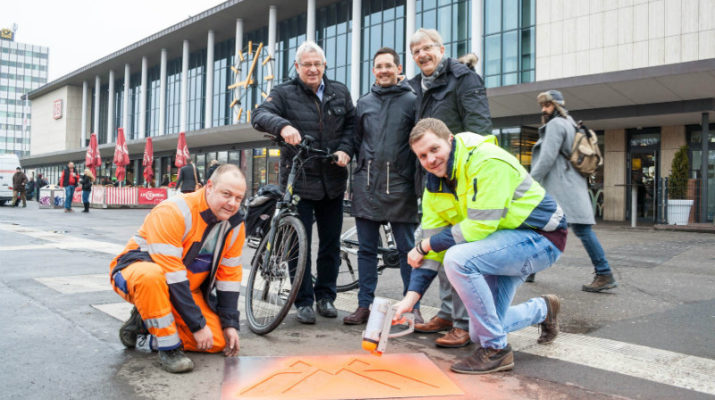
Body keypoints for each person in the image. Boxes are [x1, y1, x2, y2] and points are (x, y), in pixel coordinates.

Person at [393, 118, 566, 374]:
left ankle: (496, 350)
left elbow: (479, 226)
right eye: (422, 156)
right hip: (502, 244)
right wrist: (411, 298)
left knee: (458, 258)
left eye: (434, 149)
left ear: (449, 139)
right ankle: (543, 309)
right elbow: (431, 249)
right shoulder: (434, 186)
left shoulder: (487, 161)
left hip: (541, 237)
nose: (430, 160)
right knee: (480, 328)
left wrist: (425, 245)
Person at [253, 41, 354, 325]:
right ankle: (304, 301)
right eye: (306, 64)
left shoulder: (340, 92)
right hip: (299, 181)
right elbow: (259, 115)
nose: (312, 69)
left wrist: (346, 149)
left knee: (331, 245)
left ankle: (326, 296)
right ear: (297, 67)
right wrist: (283, 127)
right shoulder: (284, 92)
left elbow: (352, 126)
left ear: (324, 66)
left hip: (332, 181)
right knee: (300, 243)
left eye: (317, 64)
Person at [109, 164, 246, 373]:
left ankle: (144, 323)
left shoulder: (235, 225)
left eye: (238, 198)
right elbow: (171, 275)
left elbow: (229, 277)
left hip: (185, 287)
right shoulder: (173, 210)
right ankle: (167, 347)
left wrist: (230, 324)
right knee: (151, 276)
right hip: (139, 275)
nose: (232, 203)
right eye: (226, 194)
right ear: (209, 187)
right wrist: (197, 326)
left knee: (217, 341)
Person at [408, 28, 493, 348]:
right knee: (438, 245)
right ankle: (447, 312)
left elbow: (481, 127)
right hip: (435, 176)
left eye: (427, 48)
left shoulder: (464, 79)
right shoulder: (416, 87)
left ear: (442, 49)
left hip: (462, 176)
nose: (422, 55)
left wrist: (475, 174)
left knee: (459, 248)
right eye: (416, 51)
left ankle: (463, 321)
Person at [343, 47, 422, 325]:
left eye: (389, 65)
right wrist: (343, 156)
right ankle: (364, 305)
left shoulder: (413, 100)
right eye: (379, 66)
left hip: (401, 186)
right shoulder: (364, 102)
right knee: (366, 250)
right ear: (373, 70)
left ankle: (412, 306)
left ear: (398, 69)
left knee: (407, 251)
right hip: (366, 185)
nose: (384, 70)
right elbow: (354, 141)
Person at [528, 90, 618, 292]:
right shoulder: (571, 123)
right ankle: (603, 273)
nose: (544, 109)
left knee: (545, 227)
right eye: (542, 105)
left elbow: (547, 157)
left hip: (560, 187)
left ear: (557, 105)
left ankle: (604, 273)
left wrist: (530, 181)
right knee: (548, 228)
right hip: (572, 185)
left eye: (548, 105)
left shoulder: (555, 124)